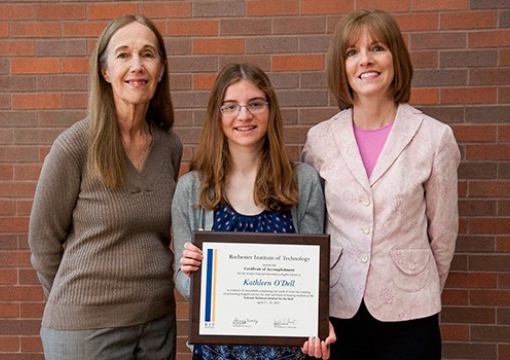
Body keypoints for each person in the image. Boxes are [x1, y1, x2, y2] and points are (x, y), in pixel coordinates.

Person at [301, 9, 461, 360]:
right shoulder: (320, 139)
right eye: (352, 52)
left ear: (395, 59)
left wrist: (418, 282)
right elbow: (313, 226)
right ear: (341, 66)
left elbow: (444, 234)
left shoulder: (434, 138)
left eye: (377, 48)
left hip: (410, 312)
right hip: (338, 310)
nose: (365, 60)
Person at [28, 15, 182, 360]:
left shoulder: (169, 146)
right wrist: (82, 302)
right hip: (86, 332)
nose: (137, 65)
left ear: (160, 69)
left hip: (158, 325)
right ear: (105, 71)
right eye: (123, 54)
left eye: (148, 54)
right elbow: (42, 243)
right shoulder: (74, 146)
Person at [172, 63, 336, 360]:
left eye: (255, 103)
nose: (244, 115)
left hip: (288, 355)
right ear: (217, 115)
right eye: (230, 106)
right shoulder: (191, 189)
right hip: (216, 355)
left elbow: (313, 279)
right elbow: (183, 285)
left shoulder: (303, 182)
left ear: (270, 109)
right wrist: (191, 272)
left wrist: (317, 323)